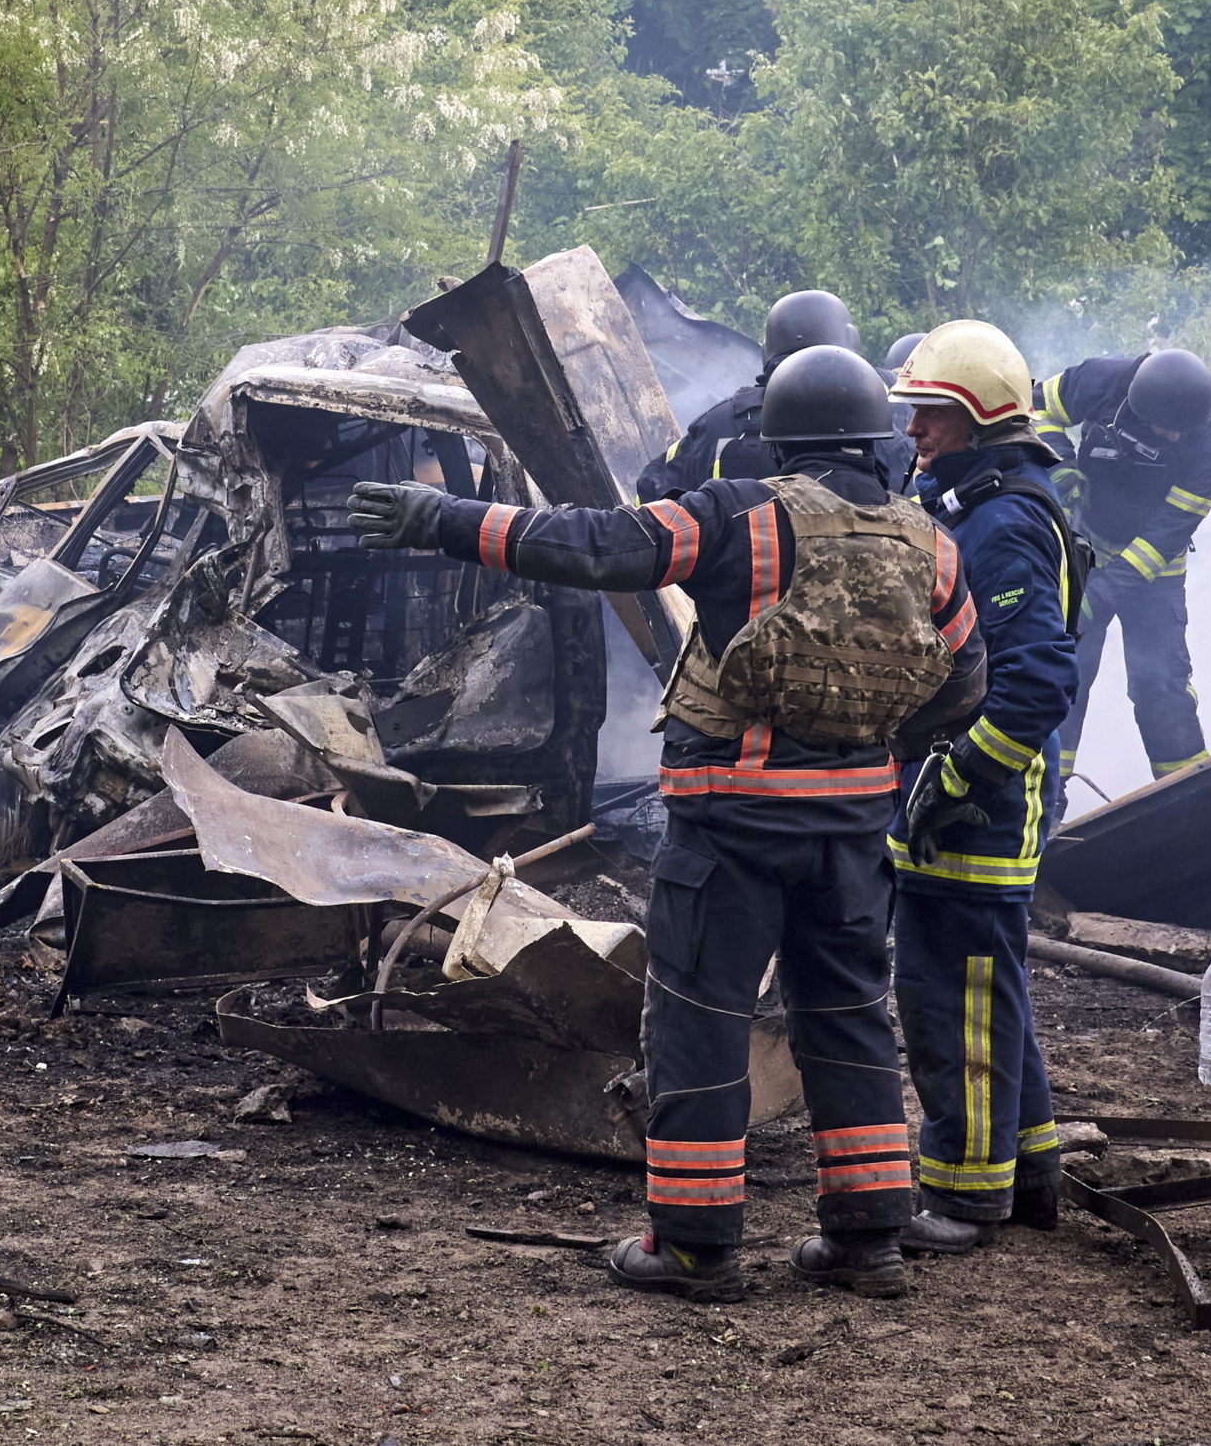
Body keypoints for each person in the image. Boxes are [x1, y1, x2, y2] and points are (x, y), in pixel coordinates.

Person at [349, 344, 986, 1305]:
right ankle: (867, 1239)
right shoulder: (928, 544)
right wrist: (864, 752)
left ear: (778, 438)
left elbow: (601, 545)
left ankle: (695, 1246)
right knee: (850, 1019)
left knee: (699, 1022)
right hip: (855, 835)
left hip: (732, 825)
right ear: (875, 440)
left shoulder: (742, 515)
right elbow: (966, 682)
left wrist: (446, 520)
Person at [882, 321, 1083, 1251]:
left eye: (930, 413)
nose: (915, 429)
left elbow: (1037, 679)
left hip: (984, 802)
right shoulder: (972, 497)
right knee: (988, 987)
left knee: (951, 994)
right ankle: (1031, 1170)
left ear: (976, 417)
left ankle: (965, 1196)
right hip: (956, 788)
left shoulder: (1003, 521)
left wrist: (955, 779)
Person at [1035, 349, 1211, 783]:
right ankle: (1050, 797)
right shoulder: (1102, 379)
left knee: (1160, 684)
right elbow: (1036, 405)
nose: (1174, 438)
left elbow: (1163, 538)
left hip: (1154, 573)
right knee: (1067, 676)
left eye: (1184, 431)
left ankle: (1188, 793)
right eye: (1165, 428)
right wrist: (1061, 465)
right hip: (1084, 549)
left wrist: (1102, 593)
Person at [638, 291, 916, 497]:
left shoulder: (718, 425)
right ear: (851, 340)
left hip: (743, 575)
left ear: (765, 351)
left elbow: (650, 497)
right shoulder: (897, 422)